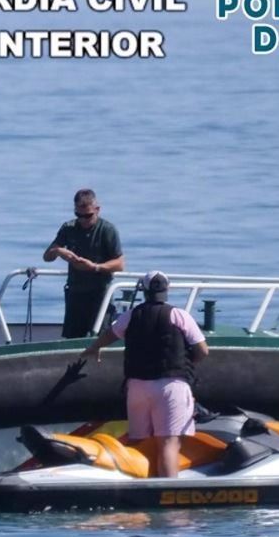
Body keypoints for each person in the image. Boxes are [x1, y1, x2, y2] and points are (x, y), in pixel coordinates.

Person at [80, 271, 210, 478]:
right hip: (171, 385)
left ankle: (136, 485)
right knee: (169, 444)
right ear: (167, 289)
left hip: (137, 387)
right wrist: (185, 364)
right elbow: (202, 350)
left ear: (144, 290)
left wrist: (94, 347)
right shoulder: (179, 315)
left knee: (139, 442)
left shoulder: (131, 315)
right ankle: (167, 491)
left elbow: (111, 334)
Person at [44, 188, 125, 338]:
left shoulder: (107, 230)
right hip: (75, 292)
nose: (83, 220)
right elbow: (47, 257)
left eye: (88, 216)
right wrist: (59, 251)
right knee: (72, 338)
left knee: (98, 336)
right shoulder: (69, 228)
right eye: (79, 215)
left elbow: (120, 264)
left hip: (100, 292)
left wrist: (95, 267)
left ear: (97, 210)